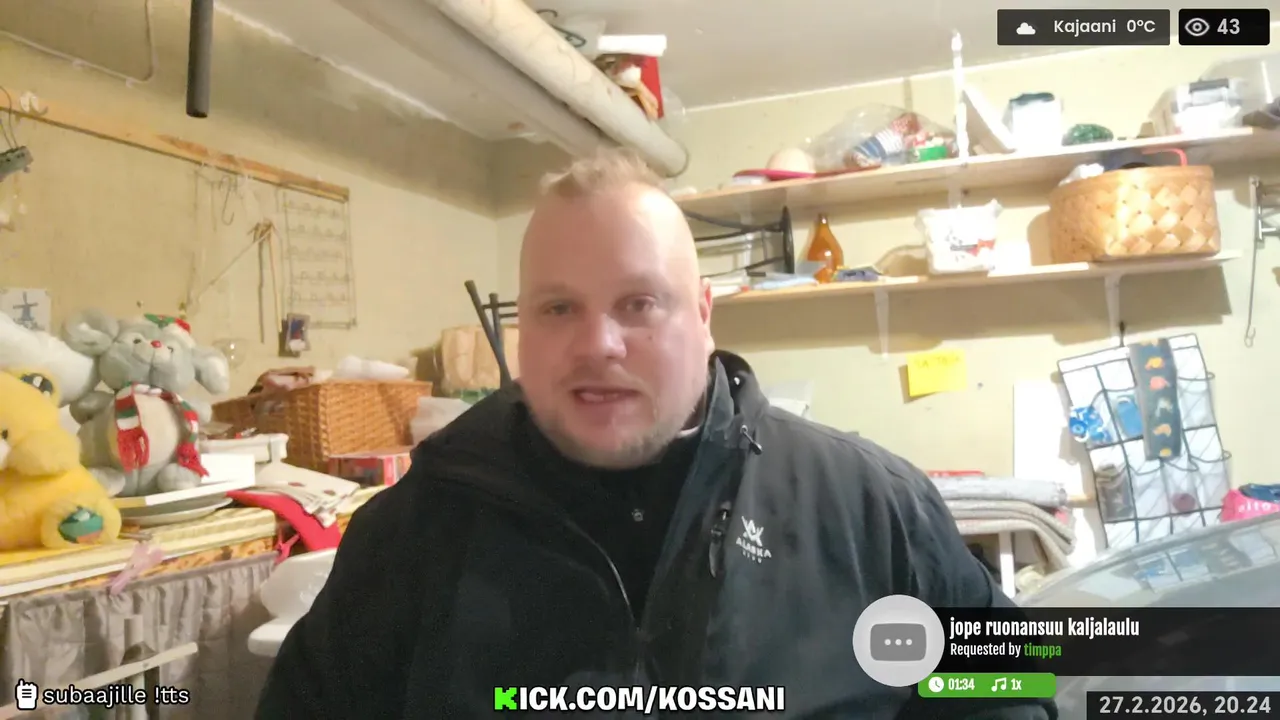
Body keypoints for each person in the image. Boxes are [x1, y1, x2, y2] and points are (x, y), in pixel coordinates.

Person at [255, 148, 1057, 719]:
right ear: (522, 325)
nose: (598, 344)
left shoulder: (870, 508)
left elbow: (1009, 694)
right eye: (559, 308)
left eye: (639, 303)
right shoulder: (414, 532)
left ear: (703, 315)